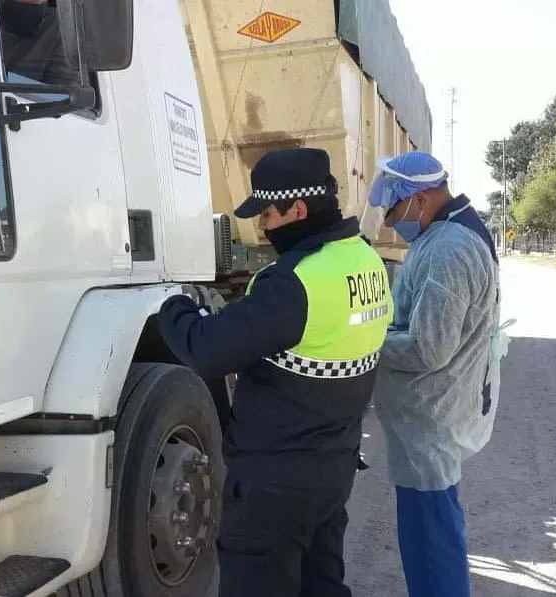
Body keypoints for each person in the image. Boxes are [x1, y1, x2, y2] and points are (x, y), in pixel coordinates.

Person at [157, 147, 393, 597]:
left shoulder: (295, 282)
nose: (262, 226)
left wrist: (175, 302)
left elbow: (205, 350)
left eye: (267, 214)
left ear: (298, 209)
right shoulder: (364, 261)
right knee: (321, 584)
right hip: (332, 468)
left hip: (276, 484)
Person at [368, 151, 509, 597]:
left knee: (432, 543)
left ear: (421, 198)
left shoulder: (449, 250)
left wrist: (365, 344)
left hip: (429, 423)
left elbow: (428, 347)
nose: (390, 223)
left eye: (392, 210)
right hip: (429, 421)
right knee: (435, 529)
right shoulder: (446, 233)